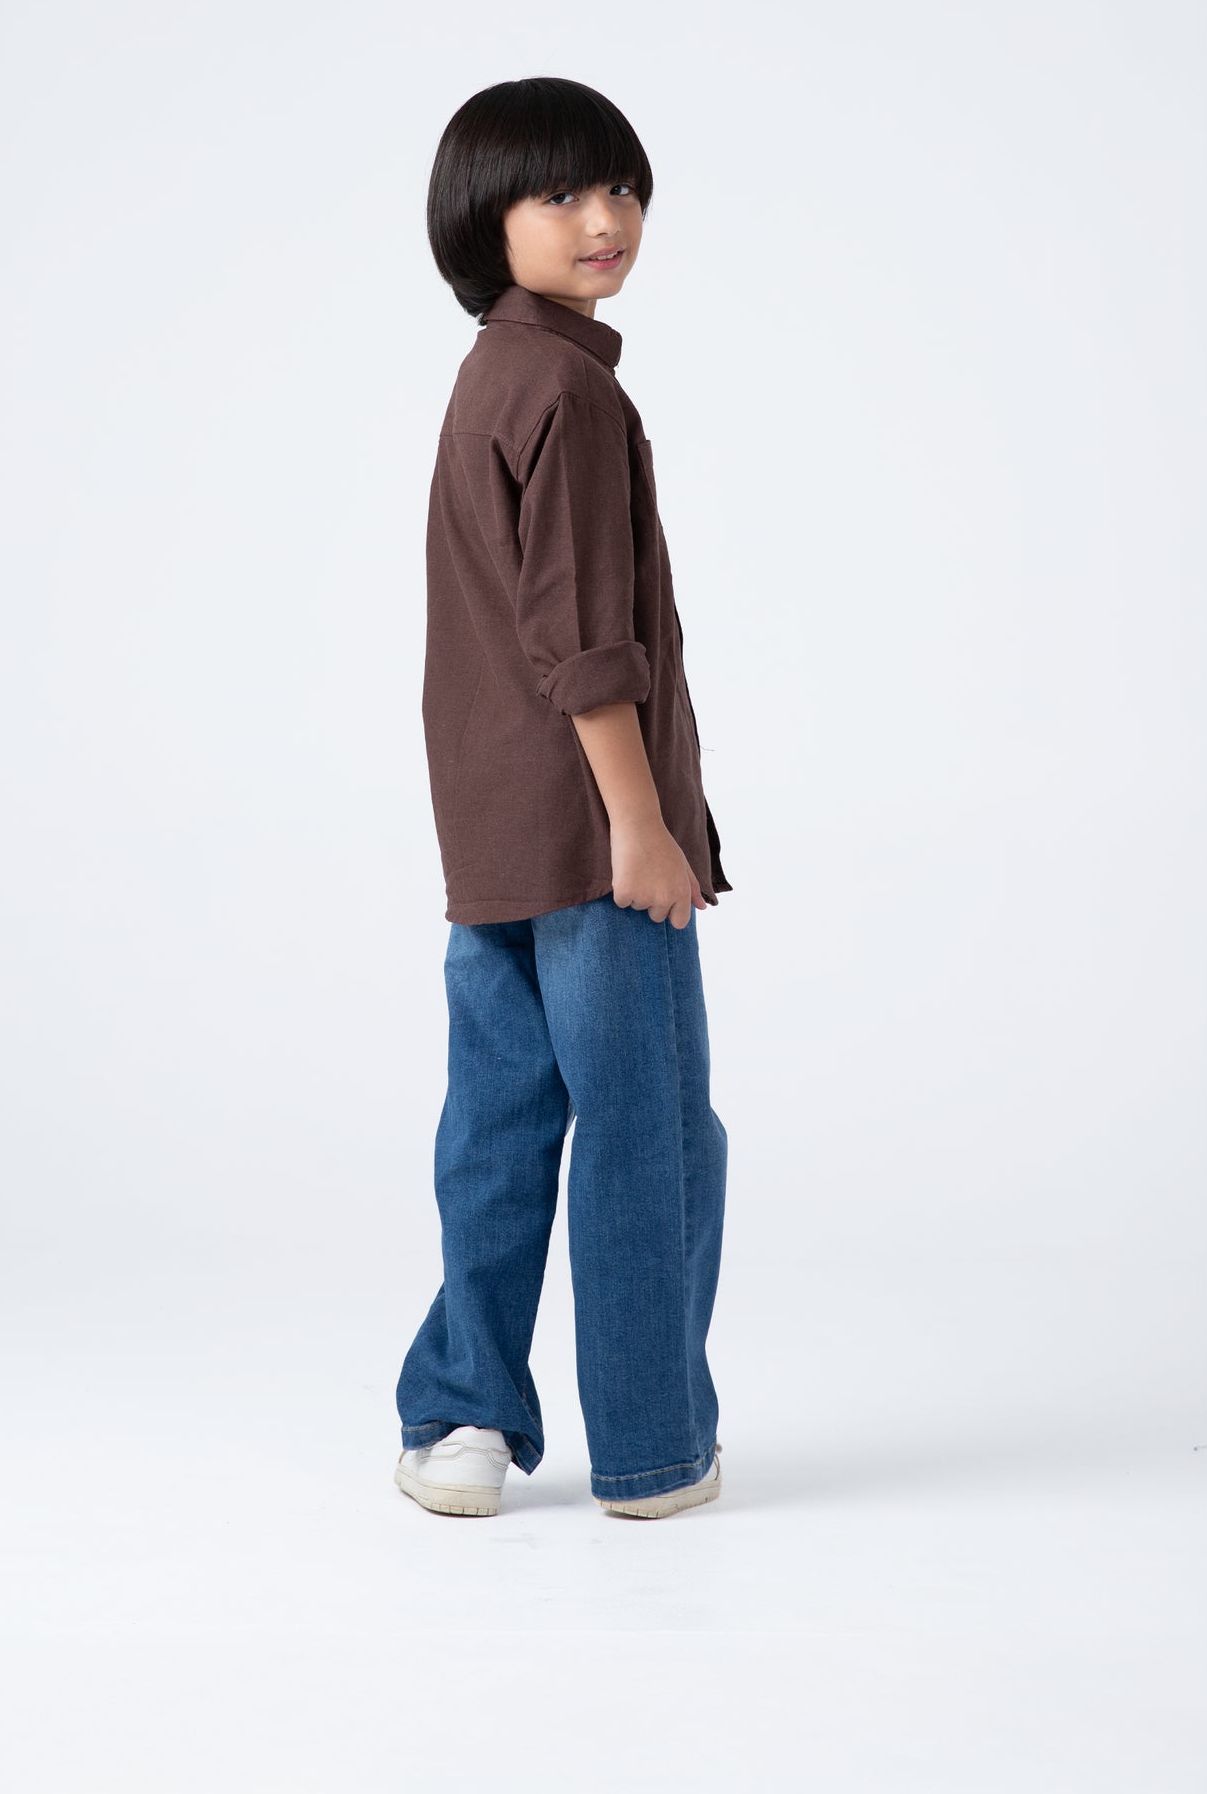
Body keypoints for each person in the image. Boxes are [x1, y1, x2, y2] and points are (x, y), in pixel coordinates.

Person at [393, 76, 733, 1523]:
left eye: (623, 188)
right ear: (488, 220)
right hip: (595, 839)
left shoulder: (491, 374)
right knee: (651, 1134)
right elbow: (584, 642)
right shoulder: (572, 393)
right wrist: (643, 829)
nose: (607, 219)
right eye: (563, 195)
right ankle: (653, 1452)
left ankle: (458, 1420)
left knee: (499, 1128)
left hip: (492, 832)